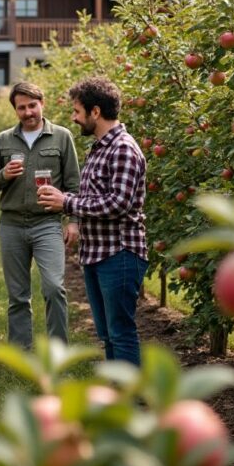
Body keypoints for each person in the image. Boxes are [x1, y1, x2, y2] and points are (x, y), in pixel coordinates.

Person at [37, 77, 148, 366]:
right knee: (108, 334)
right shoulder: (100, 147)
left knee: (121, 332)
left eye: (76, 111)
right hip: (98, 253)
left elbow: (119, 203)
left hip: (119, 253)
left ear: (95, 112)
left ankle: (130, 401)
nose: (74, 118)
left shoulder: (122, 148)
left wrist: (67, 202)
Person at [0, 81, 80, 350]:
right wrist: (4, 175)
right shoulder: (3, 140)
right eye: (21, 108)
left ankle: (58, 351)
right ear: (15, 110)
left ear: (42, 104)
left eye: (32, 106)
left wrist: (73, 221)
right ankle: (21, 350)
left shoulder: (61, 137)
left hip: (47, 222)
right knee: (17, 294)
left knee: (53, 288)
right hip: (12, 224)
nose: (28, 112)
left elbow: (74, 185)